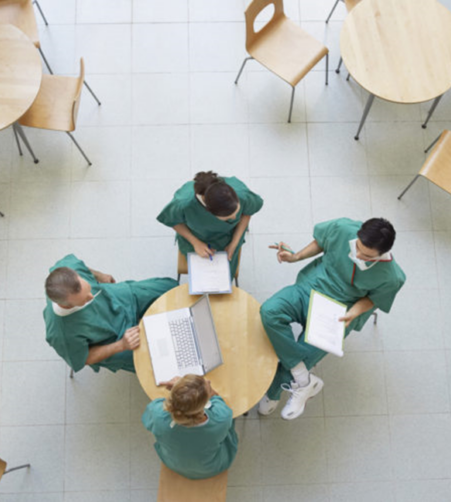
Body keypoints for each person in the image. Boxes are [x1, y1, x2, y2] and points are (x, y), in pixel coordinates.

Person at [258, 217, 406, 420]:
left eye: (367, 256)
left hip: (340, 310)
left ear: (382, 254)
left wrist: (354, 312)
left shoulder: (391, 277)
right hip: (310, 287)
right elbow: (322, 242)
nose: (359, 255)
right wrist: (295, 257)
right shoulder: (343, 228)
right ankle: (303, 378)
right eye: (358, 248)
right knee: (269, 311)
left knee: (304, 356)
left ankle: (273, 393)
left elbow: (373, 300)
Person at [44, 254, 178, 374]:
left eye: (89, 290)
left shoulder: (66, 268)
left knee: (171, 289)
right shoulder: (62, 334)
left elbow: (82, 266)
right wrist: (122, 345)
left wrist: (99, 275)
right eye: (84, 300)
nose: (92, 297)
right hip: (114, 337)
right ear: (66, 304)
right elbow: (85, 358)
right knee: (159, 360)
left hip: (120, 297)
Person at [157, 171, 263, 279]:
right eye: (228, 218)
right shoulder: (184, 203)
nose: (235, 219)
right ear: (209, 211)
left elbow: (247, 213)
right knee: (204, 277)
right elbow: (173, 221)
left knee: (222, 278)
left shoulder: (241, 193)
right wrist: (196, 243)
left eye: (237, 212)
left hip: (230, 236)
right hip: (196, 237)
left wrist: (234, 243)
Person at [142, 374, 238, 480]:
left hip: (173, 464)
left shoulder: (157, 415)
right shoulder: (222, 417)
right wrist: (211, 392)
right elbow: (219, 401)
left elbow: (148, 420)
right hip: (211, 468)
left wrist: (181, 392)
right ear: (205, 403)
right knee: (230, 423)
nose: (208, 381)